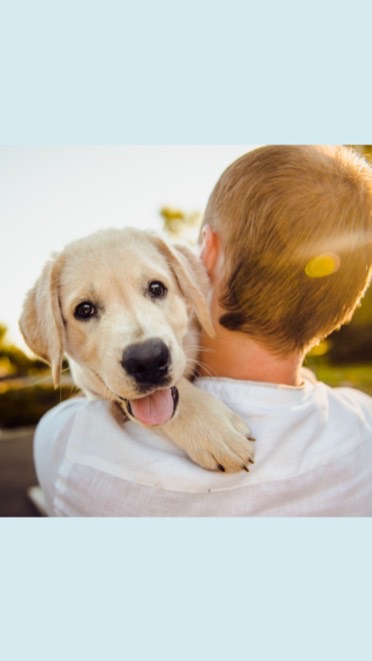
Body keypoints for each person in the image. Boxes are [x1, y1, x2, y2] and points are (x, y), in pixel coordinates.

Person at [33, 145, 372, 516]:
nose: (142, 344)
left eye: (156, 289)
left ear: (205, 254)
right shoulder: (361, 424)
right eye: (86, 310)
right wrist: (183, 407)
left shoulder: (68, 444)